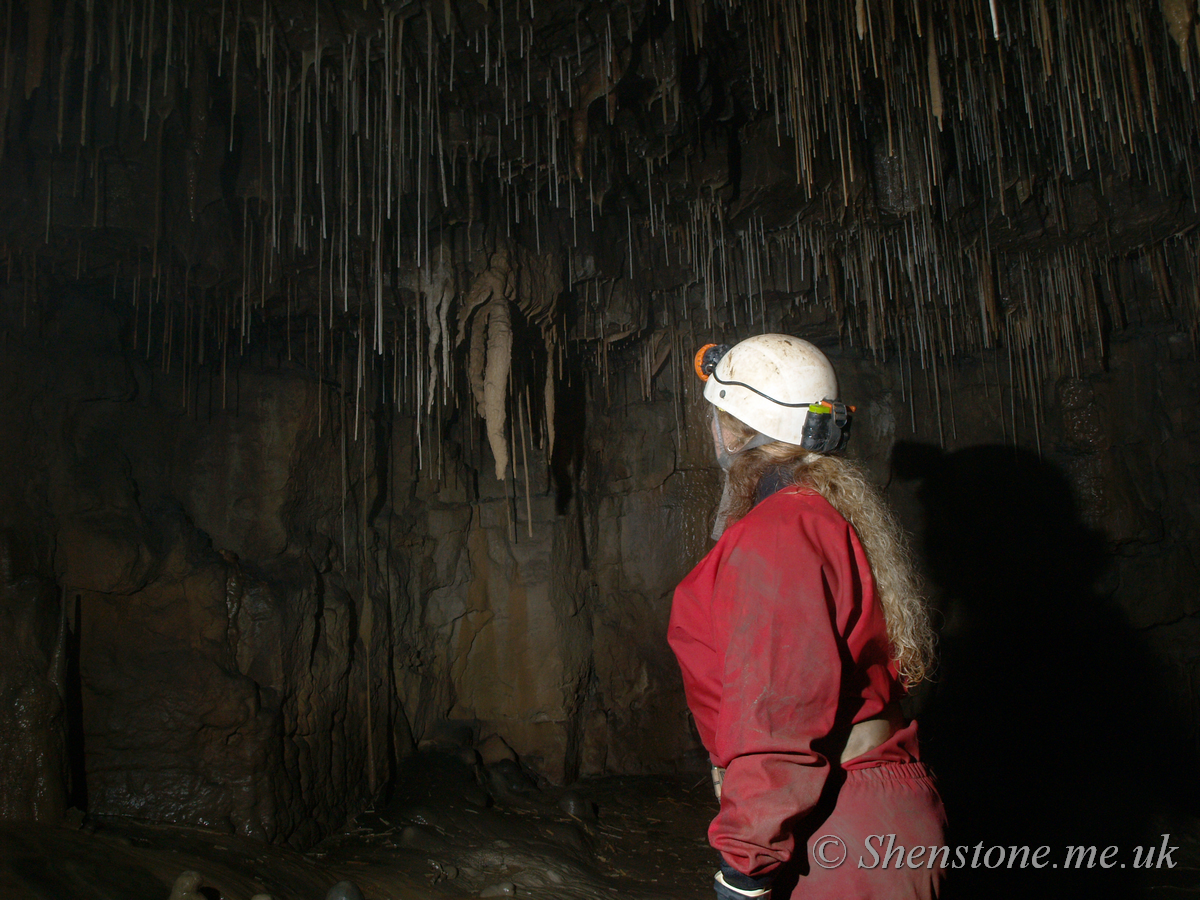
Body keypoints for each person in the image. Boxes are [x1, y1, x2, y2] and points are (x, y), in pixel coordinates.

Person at [668, 334, 945, 900]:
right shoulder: (816, 514)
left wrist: (745, 866)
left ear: (729, 428)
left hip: (838, 829)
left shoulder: (780, 533)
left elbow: (780, 708)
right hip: (868, 818)